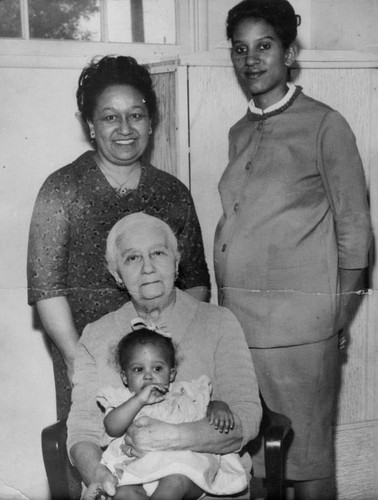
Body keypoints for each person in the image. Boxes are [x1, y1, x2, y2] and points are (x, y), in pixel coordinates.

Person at [213, 1, 372, 499]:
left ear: (289, 53)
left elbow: (356, 233)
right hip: (242, 327)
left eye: (265, 46)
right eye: (241, 49)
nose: (252, 60)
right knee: (258, 461)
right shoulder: (239, 131)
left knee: (306, 460)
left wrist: (336, 316)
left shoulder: (325, 125)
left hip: (301, 333)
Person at [27, 55, 210, 420]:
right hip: (85, 354)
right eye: (110, 116)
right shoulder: (61, 189)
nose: (125, 128)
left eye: (136, 115)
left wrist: (169, 347)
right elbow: (47, 290)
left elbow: (196, 283)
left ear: (151, 122)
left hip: (158, 362)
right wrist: (75, 359)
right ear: (91, 126)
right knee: (95, 459)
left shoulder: (172, 193)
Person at [67, 212, 262, 500]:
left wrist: (171, 438)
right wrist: (97, 473)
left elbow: (245, 417)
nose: (148, 268)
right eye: (132, 258)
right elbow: (83, 429)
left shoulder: (219, 321)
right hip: (125, 476)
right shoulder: (96, 335)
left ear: (176, 260)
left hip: (201, 475)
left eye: (157, 253)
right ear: (117, 275)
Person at [86, 328, 247, 499]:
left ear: (171, 374)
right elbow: (112, 427)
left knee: (175, 482)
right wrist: (138, 400)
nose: (148, 376)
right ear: (125, 378)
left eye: (157, 368)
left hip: (183, 468)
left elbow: (205, 407)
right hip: (136, 469)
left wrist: (218, 406)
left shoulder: (186, 392)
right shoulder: (124, 400)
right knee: (124, 492)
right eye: (138, 370)